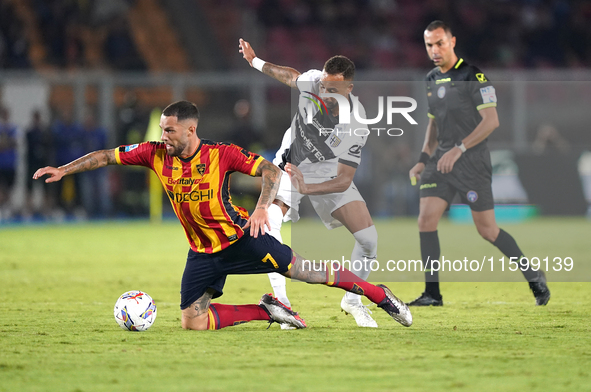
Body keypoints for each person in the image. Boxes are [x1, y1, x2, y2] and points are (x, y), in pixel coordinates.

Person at [34, 100, 412, 330]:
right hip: (202, 253)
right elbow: (106, 156)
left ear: (191, 129)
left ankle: (381, 295)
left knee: (307, 273)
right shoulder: (154, 153)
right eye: (163, 130)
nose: (163, 136)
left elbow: (270, 170)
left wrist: (262, 207)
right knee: (193, 321)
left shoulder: (222, 153)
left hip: (241, 239)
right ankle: (267, 312)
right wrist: (64, 170)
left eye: (170, 131)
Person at [239, 39, 381, 328]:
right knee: (270, 223)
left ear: (349, 89)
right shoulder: (314, 82)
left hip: (328, 175)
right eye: (325, 86)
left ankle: (352, 300)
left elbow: (344, 179)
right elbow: (290, 75)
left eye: (334, 89)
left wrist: (309, 189)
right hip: (292, 166)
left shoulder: (357, 122)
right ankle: (283, 307)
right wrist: (255, 61)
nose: (326, 93)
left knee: (369, 241)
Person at [407, 21, 550, 307]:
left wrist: (459, 149)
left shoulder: (474, 76)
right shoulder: (431, 79)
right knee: (425, 219)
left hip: (471, 162)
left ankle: (533, 275)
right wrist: (423, 160)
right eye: (429, 45)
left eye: (440, 43)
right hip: (441, 162)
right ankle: (432, 294)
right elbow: (433, 125)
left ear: (452, 41)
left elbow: (491, 121)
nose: (434, 50)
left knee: (487, 230)